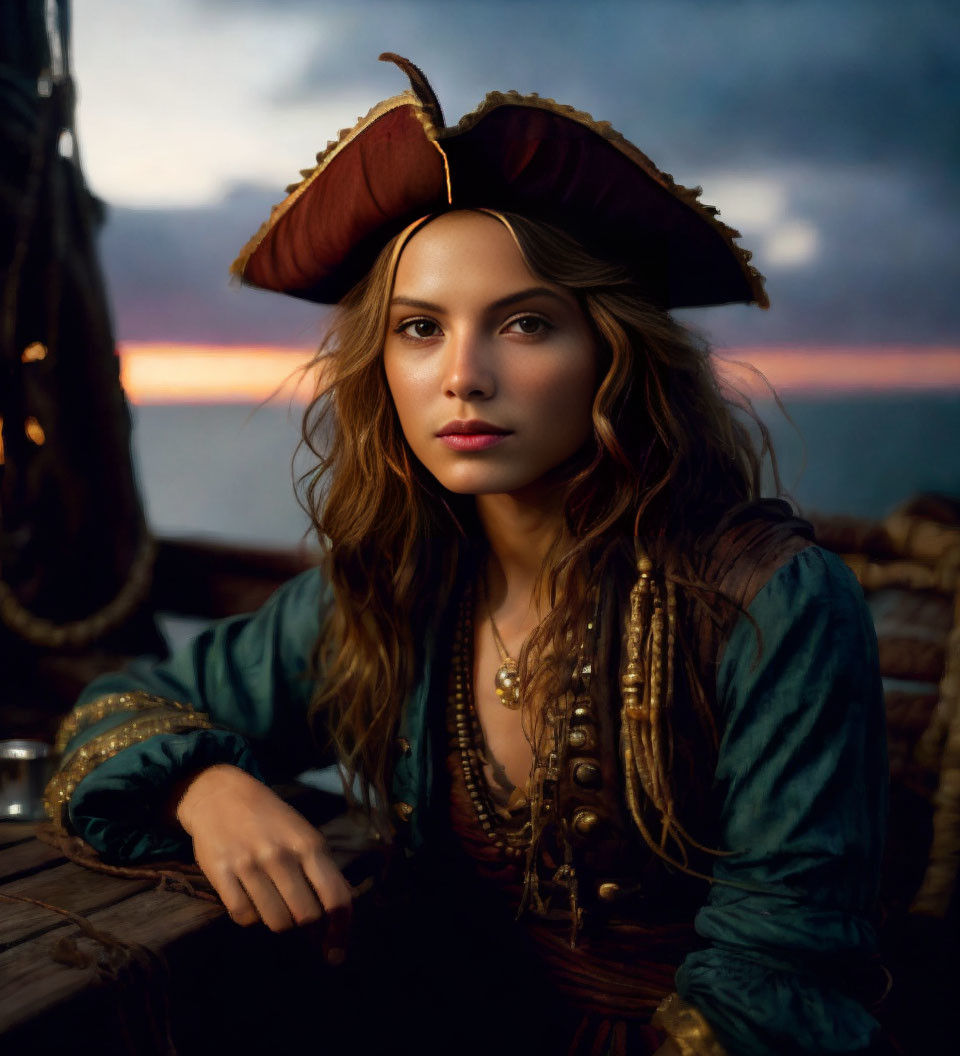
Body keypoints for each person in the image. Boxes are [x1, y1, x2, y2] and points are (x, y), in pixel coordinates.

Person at [45, 55, 890, 1055]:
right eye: (418, 329)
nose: (464, 377)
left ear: (612, 353)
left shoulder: (773, 602)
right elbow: (118, 707)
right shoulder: (394, 591)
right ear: (381, 367)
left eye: (526, 323)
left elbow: (777, 982)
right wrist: (208, 787)